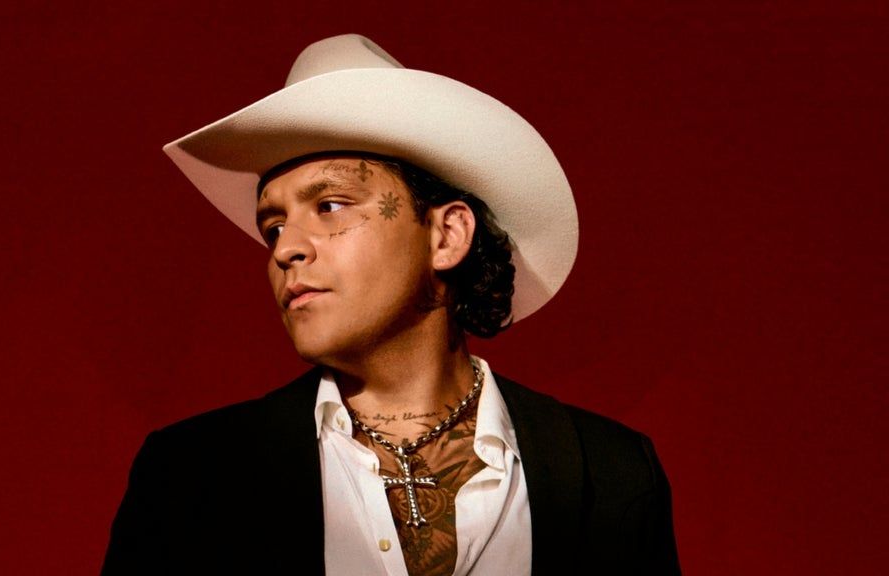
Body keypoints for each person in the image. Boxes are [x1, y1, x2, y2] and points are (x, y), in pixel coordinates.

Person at [101, 34, 680, 575]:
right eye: (273, 226)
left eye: (330, 205)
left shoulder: (613, 472)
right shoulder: (189, 476)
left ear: (446, 235)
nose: (285, 249)